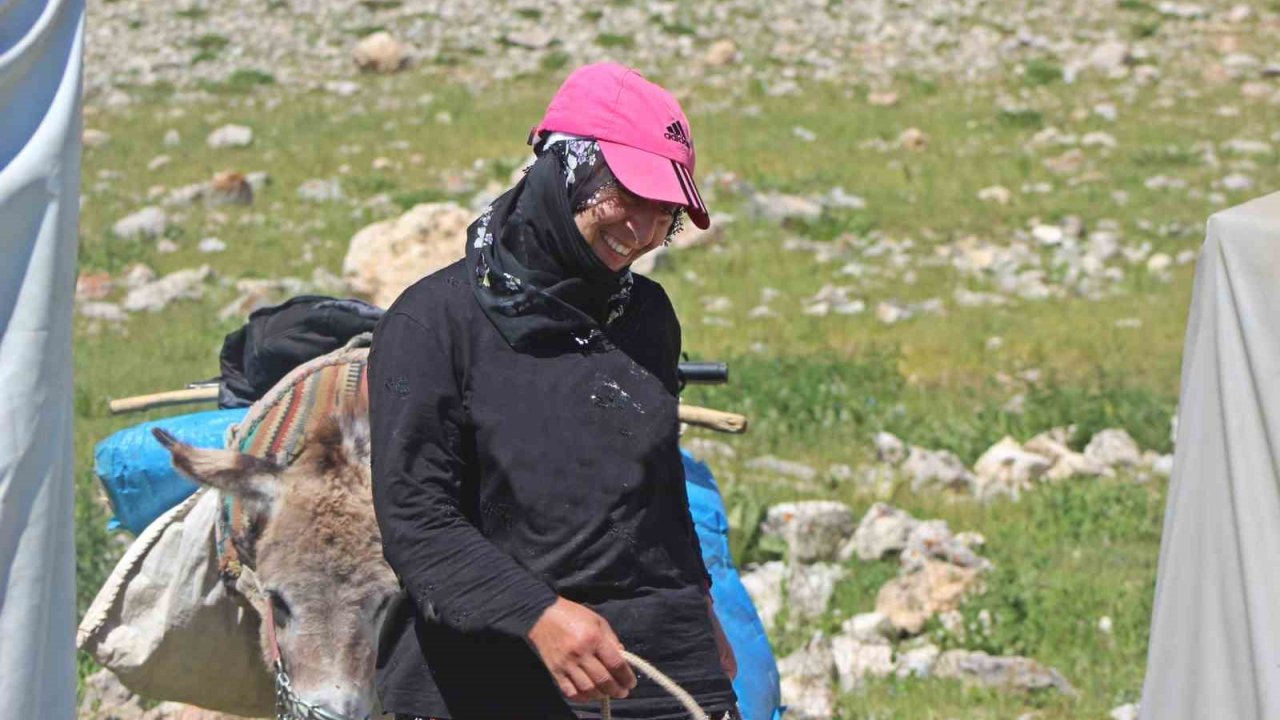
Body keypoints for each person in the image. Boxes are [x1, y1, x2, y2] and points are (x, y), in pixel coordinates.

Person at [368, 62, 739, 720]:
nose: (646, 230)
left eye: (667, 211)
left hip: (656, 664)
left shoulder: (647, 316)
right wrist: (539, 617)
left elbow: (654, 489)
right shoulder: (435, 323)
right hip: (486, 674)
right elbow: (417, 524)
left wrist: (701, 608)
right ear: (565, 168)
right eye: (629, 194)